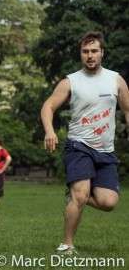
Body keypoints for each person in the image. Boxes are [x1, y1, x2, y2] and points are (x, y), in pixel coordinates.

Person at [40, 31, 129, 255]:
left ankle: (74, 193)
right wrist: (49, 131)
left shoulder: (116, 79)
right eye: (85, 51)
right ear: (81, 54)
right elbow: (48, 106)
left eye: (94, 51)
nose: (90, 55)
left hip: (106, 150)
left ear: (102, 53)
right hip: (79, 145)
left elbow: (128, 110)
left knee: (108, 202)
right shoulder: (71, 81)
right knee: (81, 194)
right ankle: (67, 244)